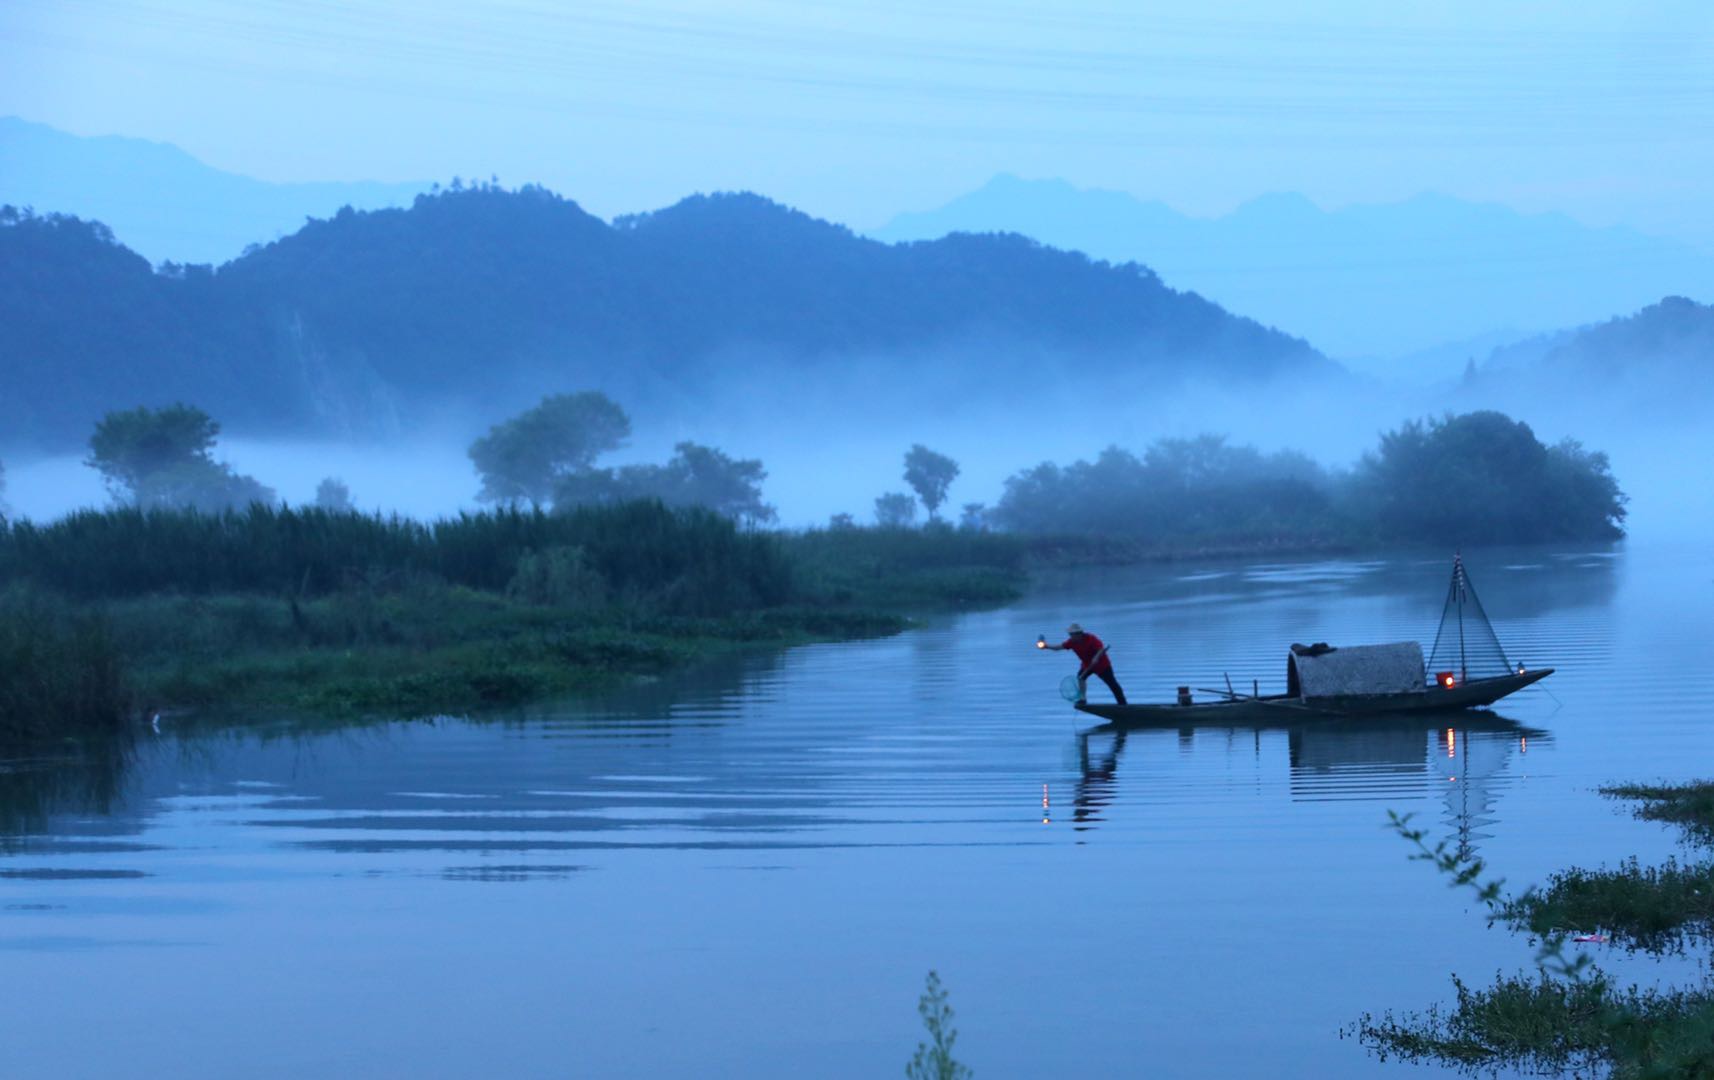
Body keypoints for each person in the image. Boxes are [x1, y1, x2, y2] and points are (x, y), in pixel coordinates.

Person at [1042, 623, 1127, 705]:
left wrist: (1096, 657)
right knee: (1080, 677)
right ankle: (1083, 699)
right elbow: (1059, 647)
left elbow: (1101, 649)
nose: (1071, 636)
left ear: (1079, 634)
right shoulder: (1071, 642)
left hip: (1102, 665)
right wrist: (1046, 646)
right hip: (1087, 665)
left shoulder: (1091, 638)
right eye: (1070, 634)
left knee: (1112, 684)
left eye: (1072, 634)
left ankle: (1122, 704)